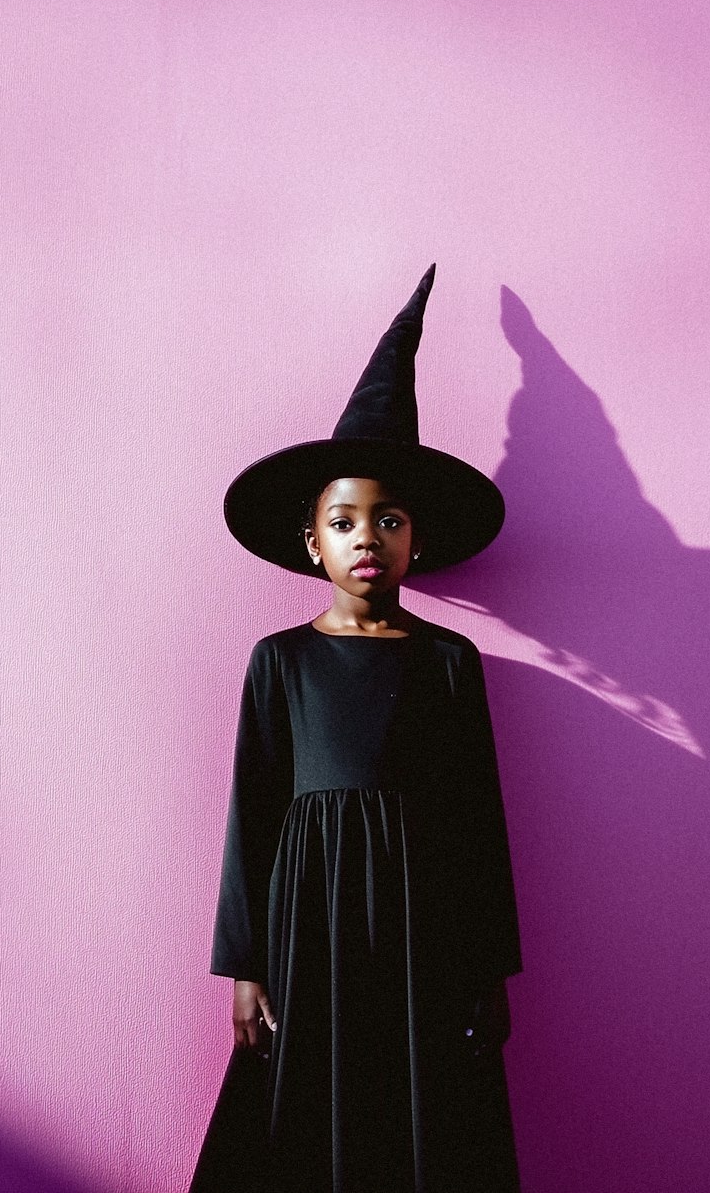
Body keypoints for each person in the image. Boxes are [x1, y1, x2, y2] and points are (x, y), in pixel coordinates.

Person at [189, 266, 523, 1192]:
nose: (367, 535)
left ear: (417, 540)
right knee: (316, 1108)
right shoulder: (280, 661)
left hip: (426, 926)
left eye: (389, 518)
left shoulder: (449, 661)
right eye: (344, 521)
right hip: (312, 920)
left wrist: (488, 967)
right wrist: (243, 968)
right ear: (315, 545)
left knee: (425, 1107)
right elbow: (250, 815)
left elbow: (477, 817)